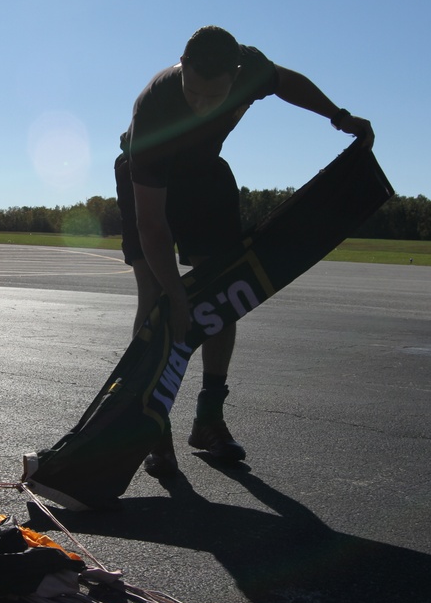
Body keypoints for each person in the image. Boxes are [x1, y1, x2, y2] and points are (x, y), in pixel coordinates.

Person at [114, 26, 374, 477]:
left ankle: (209, 418)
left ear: (237, 77)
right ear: (182, 66)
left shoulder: (250, 68)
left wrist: (339, 116)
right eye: (191, 91)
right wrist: (177, 296)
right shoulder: (155, 109)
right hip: (148, 180)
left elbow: (287, 82)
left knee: (223, 292)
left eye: (212, 96)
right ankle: (153, 428)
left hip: (204, 174)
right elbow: (152, 224)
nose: (199, 104)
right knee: (156, 296)